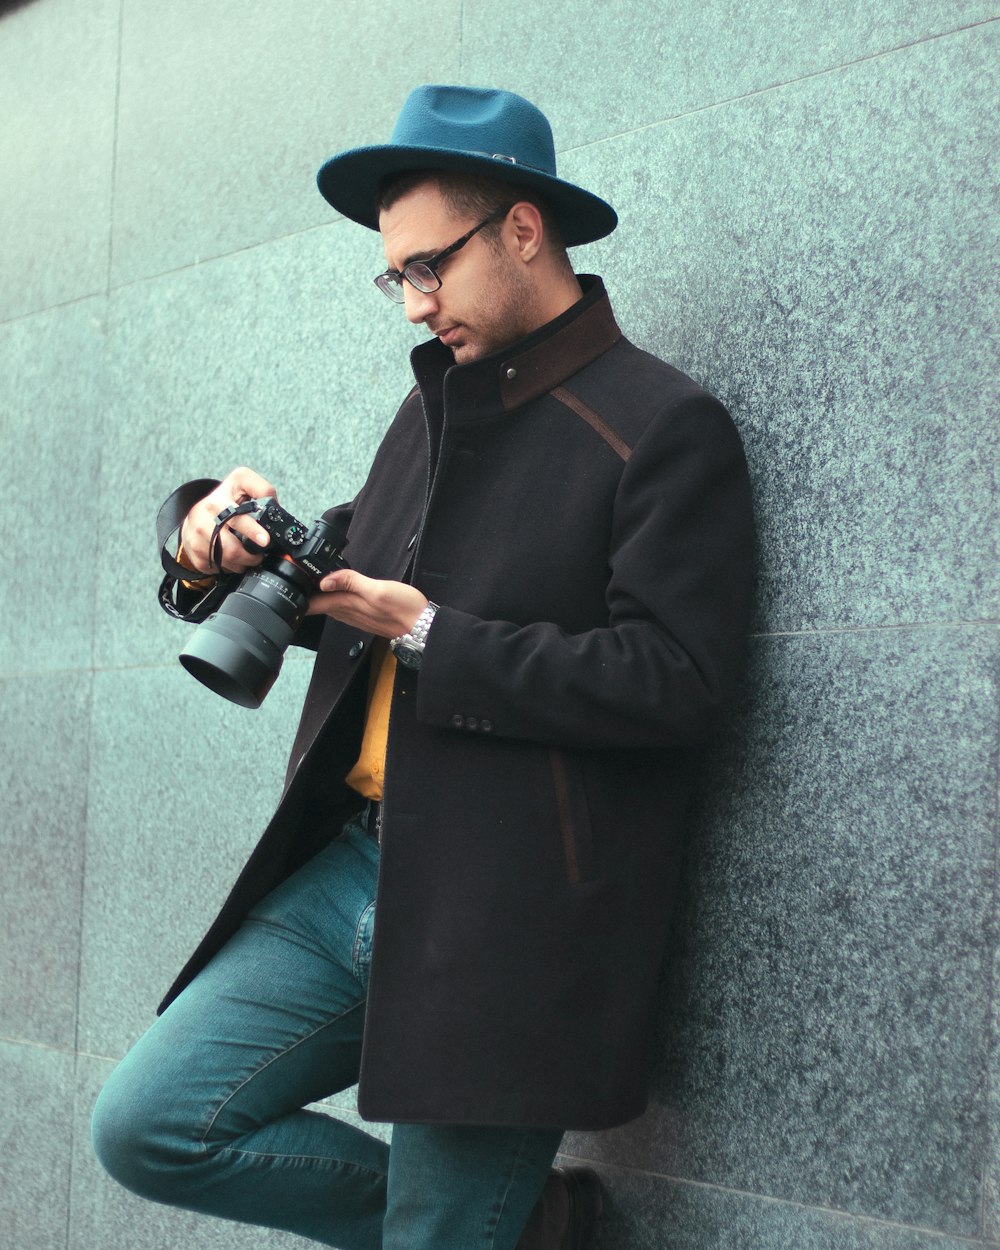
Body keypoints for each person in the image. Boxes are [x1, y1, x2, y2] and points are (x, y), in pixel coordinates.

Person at [92, 85, 755, 1250]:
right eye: (394, 276)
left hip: (507, 913)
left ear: (521, 227)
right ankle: (535, 1226)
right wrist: (212, 538)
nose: (412, 303)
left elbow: (678, 679)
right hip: (348, 875)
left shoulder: (663, 424)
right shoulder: (435, 411)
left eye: (428, 267)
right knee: (147, 1124)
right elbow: (350, 581)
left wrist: (433, 634)